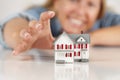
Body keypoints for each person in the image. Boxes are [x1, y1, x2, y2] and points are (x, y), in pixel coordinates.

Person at [0, 0, 120, 55]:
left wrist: (87, 38)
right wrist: (26, 36)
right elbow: (13, 23)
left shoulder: (105, 19)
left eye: (91, 4)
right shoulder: (44, 15)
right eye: (74, 0)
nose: (80, 11)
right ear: (56, 2)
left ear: (99, 12)